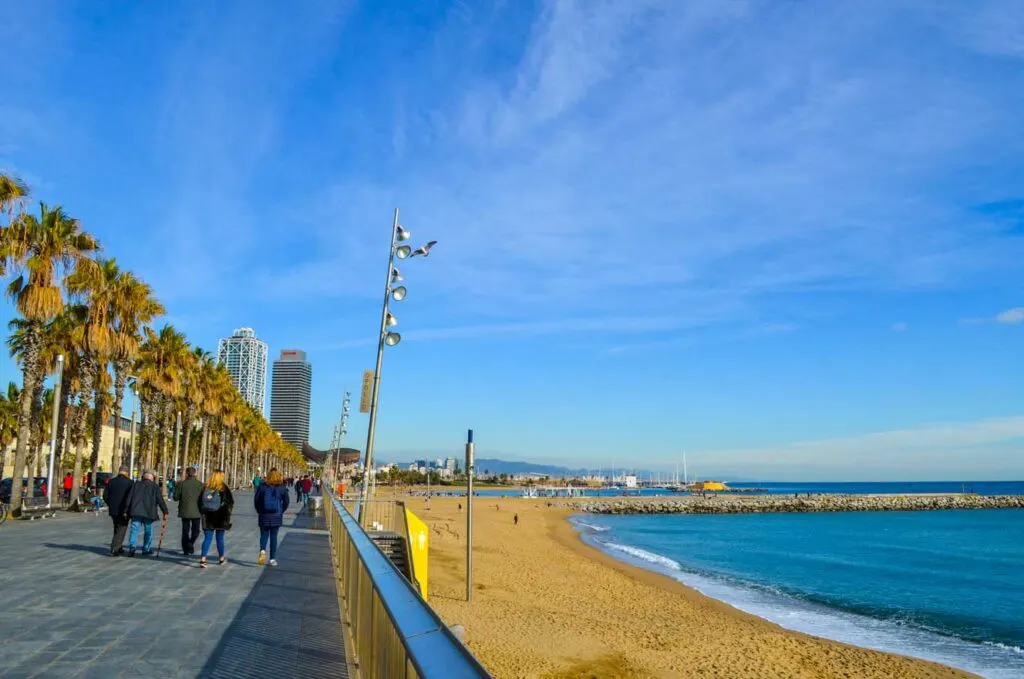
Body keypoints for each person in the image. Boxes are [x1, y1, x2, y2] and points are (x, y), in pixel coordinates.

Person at [125, 470, 168, 557]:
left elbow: (128, 498)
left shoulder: (136, 485)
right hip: (149, 512)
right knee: (148, 530)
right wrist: (165, 511)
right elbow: (160, 500)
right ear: (152, 477)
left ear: (144, 477)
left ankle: (132, 547)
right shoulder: (155, 486)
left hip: (136, 511)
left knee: (134, 529)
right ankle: (146, 549)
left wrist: (125, 510)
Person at [254, 468, 290, 567]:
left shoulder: (262, 487)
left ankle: (262, 550)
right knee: (274, 537)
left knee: (264, 535)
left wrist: (259, 511)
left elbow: (256, 501)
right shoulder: (282, 488)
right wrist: (281, 511)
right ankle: (272, 559)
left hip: (264, 515)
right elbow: (286, 501)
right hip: (276, 516)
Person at [199, 469, 234, 569]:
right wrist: (228, 514)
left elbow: (199, 502)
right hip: (221, 516)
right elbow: (231, 502)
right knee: (220, 539)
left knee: (207, 538)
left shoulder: (205, 487)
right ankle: (221, 558)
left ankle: (203, 559)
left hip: (207, 516)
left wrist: (203, 512)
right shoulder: (224, 488)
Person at [103, 466, 134, 556]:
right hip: (124, 509)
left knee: (116, 527)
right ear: (127, 472)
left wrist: (110, 503)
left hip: (113, 509)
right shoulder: (130, 483)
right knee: (122, 529)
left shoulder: (111, 482)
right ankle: (114, 548)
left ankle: (119, 547)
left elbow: (105, 496)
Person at [174, 467, 204, 557]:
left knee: (185, 531)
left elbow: (175, 497)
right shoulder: (200, 484)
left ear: (187, 474)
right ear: (195, 473)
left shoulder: (182, 484)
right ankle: (191, 542)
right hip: (197, 511)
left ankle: (186, 549)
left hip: (185, 511)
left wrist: (177, 488)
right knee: (196, 531)